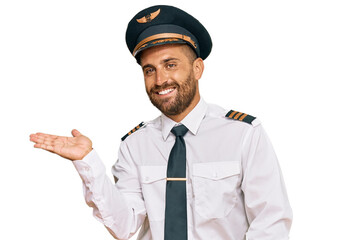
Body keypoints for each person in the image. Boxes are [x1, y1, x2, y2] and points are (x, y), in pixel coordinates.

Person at [29, 5, 292, 240]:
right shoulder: (135, 145)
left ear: (197, 68)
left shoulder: (243, 134)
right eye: (149, 69)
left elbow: (271, 223)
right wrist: (87, 161)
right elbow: (125, 226)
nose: (159, 80)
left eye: (170, 64)